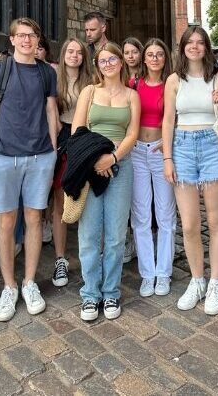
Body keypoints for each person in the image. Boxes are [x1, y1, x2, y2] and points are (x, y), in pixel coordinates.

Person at [162, 26, 218, 315]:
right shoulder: (174, 80)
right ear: (182, 47)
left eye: (200, 42)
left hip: (212, 145)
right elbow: (168, 119)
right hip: (182, 145)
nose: (194, 47)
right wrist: (168, 159)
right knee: (189, 224)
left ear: (206, 47)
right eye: (189, 43)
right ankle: (197, 280)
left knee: (215, 220)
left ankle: (215, 282)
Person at [0, 17, 58, 322]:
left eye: (32, 35)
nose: (27, 40)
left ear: (38, 41)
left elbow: (51, 110)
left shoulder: (45, 73)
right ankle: (9, 286)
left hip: (40, 156)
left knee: (34, 218)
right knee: (6, 221)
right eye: (22, 35)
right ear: (12, 40)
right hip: (4, 157)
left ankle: (29, 283)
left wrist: (52, 149)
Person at [72, 42, 140, 321]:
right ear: (97, 65)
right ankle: (90, 293)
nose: (108, 64)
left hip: (120, 165)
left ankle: (110, 291)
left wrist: (112, 158)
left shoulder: (132, 95)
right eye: (103, 60)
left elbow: (132, 134)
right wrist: (96, 158)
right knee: (89, 234)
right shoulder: (89, 92)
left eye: (113, 59)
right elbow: (77, 129)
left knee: (114, 235)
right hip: (90, 166)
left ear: (121, 62)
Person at [130, 38, 176, 297]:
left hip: (161, 151)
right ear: (144, 59)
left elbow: (178, 116)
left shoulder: (171, 84)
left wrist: (169, 145)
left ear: (165, 58)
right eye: (150, 54)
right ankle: (147, 273)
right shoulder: (134, 84)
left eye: (160, 54)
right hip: (137, 151)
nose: (155, 58)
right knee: (141, 216)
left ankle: (163, 272)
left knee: (165, 214)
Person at [50, 38, 91, 287]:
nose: (74, 55)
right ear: (64, 53)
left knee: (86, 200)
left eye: (79, 52)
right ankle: (60, 259)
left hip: (85, 137)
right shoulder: (54, 78)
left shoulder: (91, 79)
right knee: (60, 203)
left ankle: (88, 256)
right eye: (70, 51)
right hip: (62, 137)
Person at [121, 37, 144, 263]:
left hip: (145, 139)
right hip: (125, 141)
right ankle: (128, 238)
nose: (130, 56)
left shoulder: (147, 78)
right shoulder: (120, 79)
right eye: (126, 52)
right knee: (127, 194)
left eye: (134, 52)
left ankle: (145, 237)